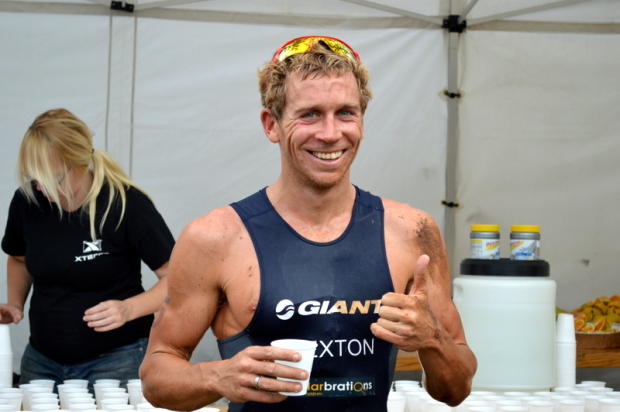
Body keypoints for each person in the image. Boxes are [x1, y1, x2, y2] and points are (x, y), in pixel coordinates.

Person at [140, 36, 476, 411]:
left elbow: (456, 390)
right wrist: (217, 377)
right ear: (271, 125)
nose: (330, 134)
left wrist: (432, 339)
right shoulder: (216, 237)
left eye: (345, 113)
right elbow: (156, 376)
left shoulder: (412, 231)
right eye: (310, 114)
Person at [0, 108, 175, 386]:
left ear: (79, 162)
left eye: (53, 179)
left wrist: (128, 309)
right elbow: (19, 259)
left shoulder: (125, 203)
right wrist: (15, 304)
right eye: (35, 179)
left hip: (117, 360)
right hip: (42, 361)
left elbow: (178, 278)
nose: (42, 189)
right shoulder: (27, 202)